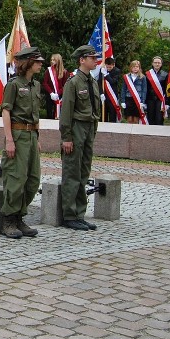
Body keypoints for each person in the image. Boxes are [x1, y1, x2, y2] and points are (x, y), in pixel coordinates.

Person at [0, 46, 45, 239]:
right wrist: (9, 140)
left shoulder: (36, 85)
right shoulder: (14, 85)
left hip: (31, 136)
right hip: (17, 136)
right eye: (37, 61)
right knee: (16, 179)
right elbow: (6, 111)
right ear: (27, 63)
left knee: (33, 180)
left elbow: (36, 114)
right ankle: (9, 220)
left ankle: (20, 217)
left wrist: (37, 137)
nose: (41, 64)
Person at [60, 44, 101, 231]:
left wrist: (93, 130)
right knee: (72, 172)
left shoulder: (92, 82)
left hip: (88, 128)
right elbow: (66, 112)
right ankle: (69, 215)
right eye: (91, 58)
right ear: (82, 60)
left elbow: (95, 110)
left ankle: (79, 213)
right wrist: (66, 137)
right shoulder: (73, 82)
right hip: (76, 128)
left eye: (95, 57)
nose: (95, 60)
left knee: (84, 171)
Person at [43, 53, 70, 120]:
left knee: (58, 114)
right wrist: (51, 93)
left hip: (60, 96)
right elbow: (45, 83)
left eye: (54, 60)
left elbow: (65, 85)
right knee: (49, 113)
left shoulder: (64, 72)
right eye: (51, 60)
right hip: (50, 95)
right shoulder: (48, 71)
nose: (52, 61)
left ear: (58, 61)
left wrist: (58, 93)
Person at [121, 60, 147, 124]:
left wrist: (142, 101)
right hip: (128, 99)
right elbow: (123, 89)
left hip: (138, 100)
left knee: (136, 119)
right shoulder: (126, 77)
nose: (135, 68)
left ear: (139, 68)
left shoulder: (142, 77)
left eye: (137, 66)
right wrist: (123, 101)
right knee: (129, 119)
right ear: (130, 68)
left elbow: (144, 90)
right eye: (133, 67)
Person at [145, 56, 168, 125]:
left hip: (160, 100)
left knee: (159, 118)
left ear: (161, 64)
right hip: (150, 99)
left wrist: (166, 102)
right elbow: (146, 88)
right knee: (150, 118)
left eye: (159, 63)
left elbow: (167, 89)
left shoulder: (165, 74)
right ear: (152, 63)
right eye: (155, 62)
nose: (157, 64)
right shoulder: (147, 74)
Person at [100, 57, 121, 122]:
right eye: (107, 67)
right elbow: (99, 83)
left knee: (112, 115)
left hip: (112, 96)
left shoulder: (117, 71)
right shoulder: (103, 70)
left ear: (113, 65)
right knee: (103, 115)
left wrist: (106, 75)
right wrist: (101, 93)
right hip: (104, 95)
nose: (108, 69)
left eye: (110, 67)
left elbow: (112, 82)